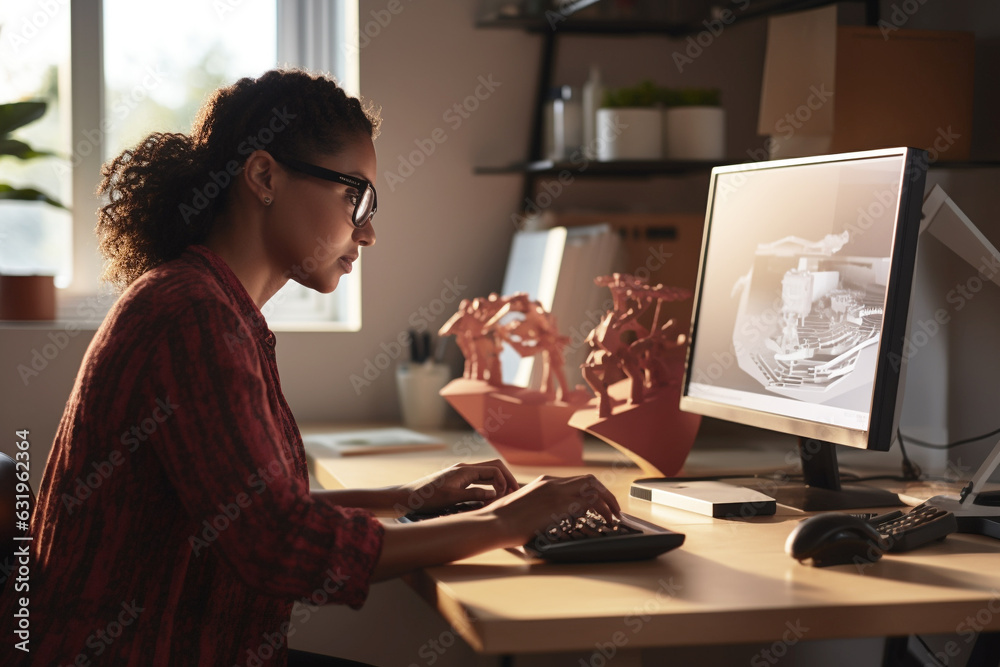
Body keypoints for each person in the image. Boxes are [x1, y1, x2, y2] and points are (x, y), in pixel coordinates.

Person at [0, 69, 620, 666]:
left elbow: (249, 506)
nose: (369, 231)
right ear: (264, 176)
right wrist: (510, 518)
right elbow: (275, 545)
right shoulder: (190, 315)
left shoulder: (212, 305)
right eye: (356, 195)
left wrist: (404, 496)